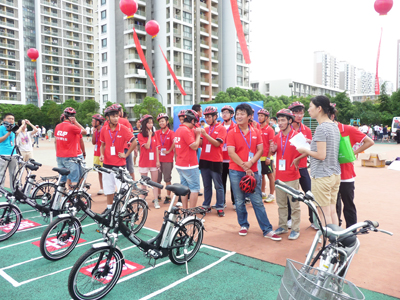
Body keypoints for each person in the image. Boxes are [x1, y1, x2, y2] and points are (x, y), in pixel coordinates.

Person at [227, 103, 281, 240]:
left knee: (257, 201)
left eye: (242, 114)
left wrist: (251, 164)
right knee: (239, 201)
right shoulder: (232, 132)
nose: (239, 116)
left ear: (250, 116)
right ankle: (243, 224)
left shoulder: (256, 131)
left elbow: (260, 150)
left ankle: (267, 229)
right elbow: (231, 153)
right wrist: (245, 167)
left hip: (253, 170)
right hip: (235, 171)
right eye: (237, 113)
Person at [297, 96, 341, 225]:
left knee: (323, 212)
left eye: (310, 107)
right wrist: (312, 143)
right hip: (334, 174)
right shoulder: (333, 125)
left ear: (319, 108)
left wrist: (304, 150)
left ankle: (328, 240)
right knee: (332, 210)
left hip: (322, 175)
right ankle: (335, 239)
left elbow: (321, 155)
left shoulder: (321, 128)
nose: (309, 110)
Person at [329, 108, 374, 228]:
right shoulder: (325, 131)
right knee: (334, 205)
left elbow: (369, 142)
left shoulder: (347, 129)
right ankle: (336, 230)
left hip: (345, 175)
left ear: (332, 117)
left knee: (348, 204)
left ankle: (351, 231)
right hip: (331, 174)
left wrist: (353, 152)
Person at [270, 109, 302, 240]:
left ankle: (295, 229)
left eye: (283, 120)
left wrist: (298, 159)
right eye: (279, 120)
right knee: (281, 204)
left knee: (294, 205)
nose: (280, 123)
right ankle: (283, 226)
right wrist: (272, 151)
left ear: (290, 121)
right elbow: (273, 153)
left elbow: (307, 151)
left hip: (293, 176)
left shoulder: (297, 136)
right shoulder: (277, 137)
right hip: (279, 177)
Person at [99, 105, 136, 213]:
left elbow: (134, 142)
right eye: (113, 116)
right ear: (107, 118)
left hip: (120, 165)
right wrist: (102, 154)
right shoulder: (104, 129)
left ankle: (123, 209)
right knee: (109, 189)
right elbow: (102, 144)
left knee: (122, 189)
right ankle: (109, 208)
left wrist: (126, 154)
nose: (116, 118)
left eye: (117, 116)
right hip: (107, 165)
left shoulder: (123, 129)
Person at [288, 101, 314, 229]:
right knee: (289, 194)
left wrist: (299, 158)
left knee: (309, 193)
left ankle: (313, 220)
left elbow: (309, 149)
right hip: (289, 168)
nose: (299, 115)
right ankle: (288, 219)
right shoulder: (286, 129)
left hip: (302, 166)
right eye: (296, 113)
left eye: (301, 113)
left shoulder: (307, 130)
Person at [199, 106, 227, 217]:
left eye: (209, 116)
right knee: (206, 185)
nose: (207, 119)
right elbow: (200, 144)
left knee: (218, 185)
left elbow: (217, 144)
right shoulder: (204, 129)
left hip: (216, 160)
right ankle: (206, 204)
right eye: (205, 117)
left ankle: (220, 206)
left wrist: (205, 135)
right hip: (204, 160)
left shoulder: (221, 128)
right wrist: (197, 135)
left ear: (215, 116)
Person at [174, 109, 202, 209]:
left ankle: (186, 211)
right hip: (189, 164)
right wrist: (198, 135)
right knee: (195, 189)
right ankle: (191, 212)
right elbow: (194, 146)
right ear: (193, 121)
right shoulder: (186, 130)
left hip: (180, 164)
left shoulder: (178, 129)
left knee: (184, 189)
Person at [54, 108, 87, 189]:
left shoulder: (57, 126)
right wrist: (75, 122)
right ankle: (74, 198)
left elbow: (55, 141)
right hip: (70, 157)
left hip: (59, 156)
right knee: (74, 179)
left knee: (62, 179)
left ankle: (62, 198)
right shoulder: (72, 127)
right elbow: (85, 132)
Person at [137, 114, 160, 208]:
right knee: (144, 183)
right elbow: (146, 146)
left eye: (152, 123)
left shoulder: (155, 135)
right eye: (149, 123)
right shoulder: (140, 135)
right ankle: (142, 200)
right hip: (144, 163)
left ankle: (156, 200)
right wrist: (150, 136)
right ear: (144, 124)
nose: (151, 124)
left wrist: (158, 161)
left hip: (153, 162)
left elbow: (157, 148)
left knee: (154, 182)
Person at [155, 113, 175, 204]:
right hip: (159, 160)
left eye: (162, 121)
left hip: (168, 159)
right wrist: (157, 160)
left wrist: (169, 150)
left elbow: (174, 143)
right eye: (159, 121)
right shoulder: (157, 133)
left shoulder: (171, 133)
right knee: (158, 179)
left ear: (167, 122)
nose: (161, 123)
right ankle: (158, 196)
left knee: (167, 179)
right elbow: (156, 146)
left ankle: (168, 196)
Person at [113, 104, 135, 180]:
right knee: (130, 169)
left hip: (115, 150)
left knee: (119, 170)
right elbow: (131, 135)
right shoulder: (125, 121)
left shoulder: (108, 121)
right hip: (125, 148)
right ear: (119, 112)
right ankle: (133, 185)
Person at [257, 109, 275, 203]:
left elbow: (271, 144)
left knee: (270, 176)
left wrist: (268, 157)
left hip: (267, 157)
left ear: (266, 117)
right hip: (258, 157)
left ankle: (271, 194)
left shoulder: (270, 129)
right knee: (261, 176)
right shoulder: (257, 128)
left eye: (262, 116)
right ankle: (263, 193)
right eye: (259, 115)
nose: (260, 117)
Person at [221, 105, 236, 209]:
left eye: (227, 112)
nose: (224, 114)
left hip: (232, 160)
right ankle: (222, 202)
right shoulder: (218, 127)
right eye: (223, 112)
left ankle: (235, 202)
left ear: (231, 115)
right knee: (221, 183)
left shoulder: (236, 127)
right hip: (220, 159)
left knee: (234, 183)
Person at [0, 113, 20, 191]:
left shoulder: (13, 129)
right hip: (3, 153)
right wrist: (8, 132)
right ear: (4, 120)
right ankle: (1, 190)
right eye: (9, 118)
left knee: (14, 173)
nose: (11, 120)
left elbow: (13, 140)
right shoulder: (1, 128)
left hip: (13, 153)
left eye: (12, 119)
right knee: (1, 173)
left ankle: (14, 190)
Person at [92, 114, 105, 195]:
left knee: (105, 172)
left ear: (98, 122)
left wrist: (103, 154)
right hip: (96, 153)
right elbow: (93, 142)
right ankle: (101, 188)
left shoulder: (104, 130)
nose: (92, 122)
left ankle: (107, 188)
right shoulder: (95, 130)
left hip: (103, 153)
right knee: (99, 171)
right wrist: (93, 132)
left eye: (93, 121)